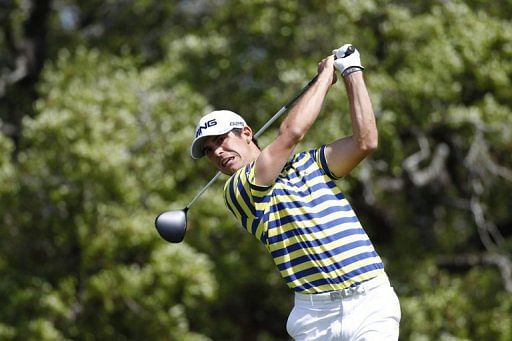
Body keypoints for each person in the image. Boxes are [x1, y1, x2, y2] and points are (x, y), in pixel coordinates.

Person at [190, 44, 401, 340]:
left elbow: (365, 142)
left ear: (246, 133)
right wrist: (325, 78)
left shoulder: (310, 164)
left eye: (221, 140)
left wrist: (352, 70)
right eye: (210, 151)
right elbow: (291, 134)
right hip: (316, 319)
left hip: (371, 300)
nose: (218, 152)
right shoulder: (238, 190)